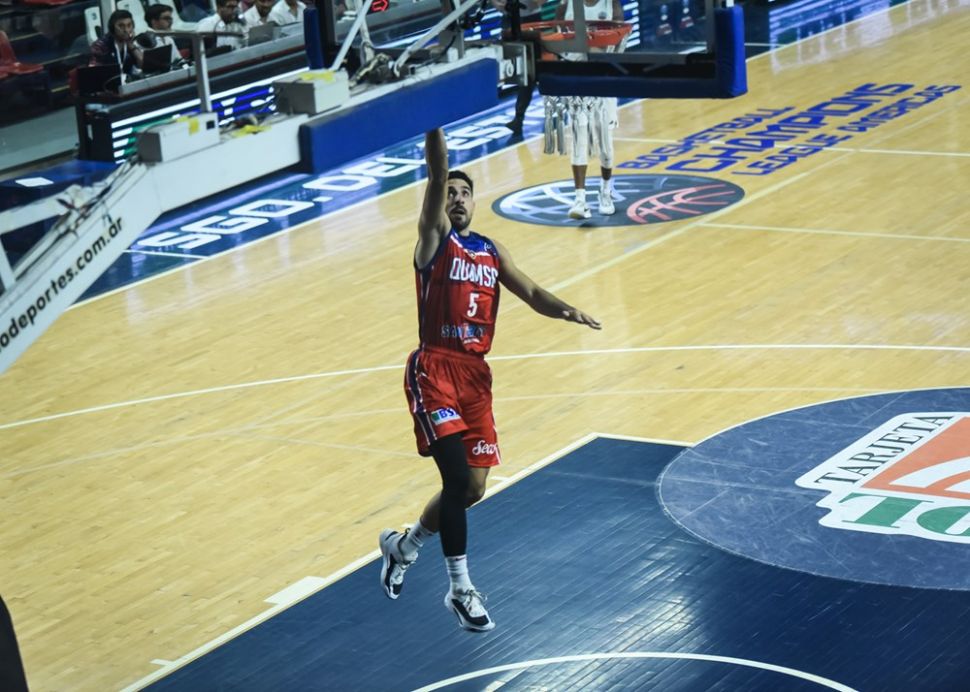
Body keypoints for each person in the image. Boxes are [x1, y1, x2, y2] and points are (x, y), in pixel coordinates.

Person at [379, 128, 601, 632]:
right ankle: (460, 590)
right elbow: (438, 168)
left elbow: (532, 292)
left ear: (475, 202)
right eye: (450, 193)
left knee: (473, 488)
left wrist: (567, 310)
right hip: (435, 369)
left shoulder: (490, 249)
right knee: (456, 480)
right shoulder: (433, 241)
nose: (457, 198)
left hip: (476, 376)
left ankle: (404, 547)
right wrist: (434, 121)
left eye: (465, 193)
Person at [554, 0, 624, 220]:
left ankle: (605, 190)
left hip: (603, 78)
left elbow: (619, 39)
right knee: (579, 139)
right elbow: (558, 42)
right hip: (578, 79)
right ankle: (580, 199)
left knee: (605, 144)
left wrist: (593, 48)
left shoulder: (611, 5)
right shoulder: (565, 6)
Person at [490, 0, 543, 136]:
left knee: (533, 70)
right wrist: (498, 4)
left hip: (530, 19)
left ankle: (522, 117)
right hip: (509, 19)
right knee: (522, 73)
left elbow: (539, 2)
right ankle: (518, 118)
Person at [89, 9, 144, 80]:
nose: (126, 30)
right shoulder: (100, 46)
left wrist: (131, 46)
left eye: (129, 25)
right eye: (121, 26)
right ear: (112, 27)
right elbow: (93, 74)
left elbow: (143, 65)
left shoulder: (129, 43)